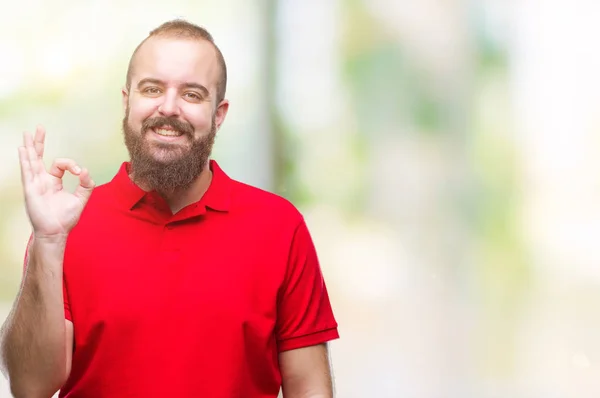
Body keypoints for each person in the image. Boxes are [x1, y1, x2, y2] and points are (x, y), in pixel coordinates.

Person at [0, 19, 339, 398]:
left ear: (219, 114)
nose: (169, 107)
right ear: (127, 101)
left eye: (192, 94)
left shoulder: (279, 226)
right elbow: (30, 387)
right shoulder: (65, 225)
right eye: (152, 89)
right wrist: (47, 240)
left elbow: (309, 387)